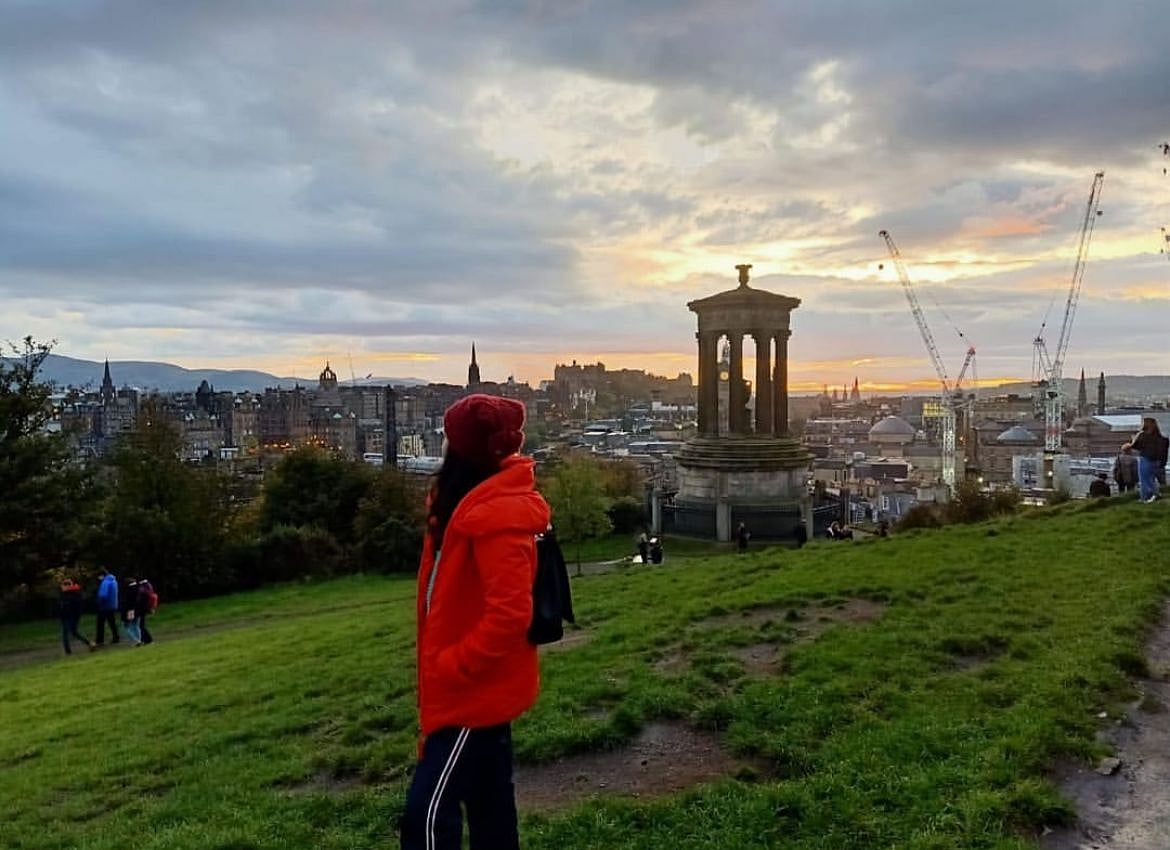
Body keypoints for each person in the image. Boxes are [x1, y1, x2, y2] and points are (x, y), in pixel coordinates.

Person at [401, 394, 551, 850]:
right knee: (490, 811)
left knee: (427, 815)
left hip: (472, 693)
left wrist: (454, 664)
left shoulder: (495, 513)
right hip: (473, 687)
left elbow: (509, 614)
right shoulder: (467, 504)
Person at [1125, 418, 1165, 503]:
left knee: (1144, 479)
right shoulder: (1158, 436)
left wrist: (1133, 440)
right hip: (1156, 460)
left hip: (1145, 458)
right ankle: (1154, 494)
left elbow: (1135, 446)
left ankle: (1146, 497)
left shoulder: (1142, 434)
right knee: (1150, 478)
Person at [58, 579, 92, 655]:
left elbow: (73, 607)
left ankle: (68, 651)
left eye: (63, 586)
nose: (62, 588)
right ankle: (88, 643)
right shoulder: (68, 595)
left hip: (69, 617)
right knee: (73, 633)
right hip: (67, 617)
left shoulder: (72, 595)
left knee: (67, 633)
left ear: (67, 586)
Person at [94, 568, 120, 646]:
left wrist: (98, 602)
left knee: (100, 624)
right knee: (112, 622)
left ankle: (100, 640)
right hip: (113, 605)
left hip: (104, 606)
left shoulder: (105, 582)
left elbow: (103, 595)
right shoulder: (114, 581)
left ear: (102, 575)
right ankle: (116, 637)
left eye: (99, 576)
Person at [120, 577, 142, 645]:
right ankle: (139, 640)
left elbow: (126, 603)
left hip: (130, 611)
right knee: (136, 626)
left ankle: (135, 641)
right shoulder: (139, 589)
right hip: (138, 610)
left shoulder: (128, 591)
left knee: (126, 627)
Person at [136, 579, 156, 645]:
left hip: (141, 610)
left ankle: (148, 640)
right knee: (141, 625)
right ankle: (145, 640)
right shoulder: (149, 589)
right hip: (144, 610)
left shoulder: (143, 592)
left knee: (141, 626)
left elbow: (140, 602)